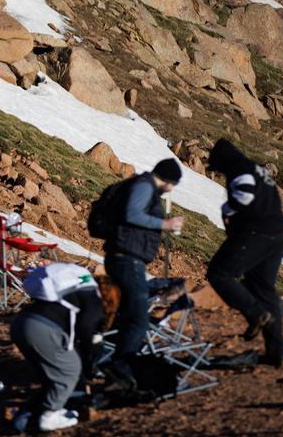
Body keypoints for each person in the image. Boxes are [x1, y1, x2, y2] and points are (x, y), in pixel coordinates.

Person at [102, 159, 184, 392]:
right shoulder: (145, 186)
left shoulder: (142, 185)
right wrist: (165, 223)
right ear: (168, 180)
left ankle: (108, 366)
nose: (171, 190)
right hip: (127, 260)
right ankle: (121, 371)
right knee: (138, 318)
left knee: (127, 316)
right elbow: (132, 214)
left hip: (123, 258)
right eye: (173, 184)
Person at [205, 139, 283, 367]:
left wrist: (227, 209)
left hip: (257, 233)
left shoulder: (239, 168)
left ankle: (255, 315)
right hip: (278, 236)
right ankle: (277, 353)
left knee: (219, 273)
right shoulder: (257, 168)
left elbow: (245, 194)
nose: (220, 172)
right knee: (265, 290)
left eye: (218, 167)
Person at [10, 264, 103, 433]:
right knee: (69, 371)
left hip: (21, 322)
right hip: (41, 327)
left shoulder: (75, 293)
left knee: (53, 381)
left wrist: (82, 383)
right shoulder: (94, 299)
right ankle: (49, 416)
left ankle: (23, 419)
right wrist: (92, 362)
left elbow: (74, 341)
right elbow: (84, 332)